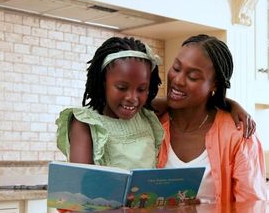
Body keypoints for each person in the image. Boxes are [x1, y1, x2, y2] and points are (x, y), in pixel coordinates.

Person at [56, 36, 254, 170]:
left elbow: (191, 100)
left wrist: (230, 104)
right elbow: (80, 190)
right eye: (122, 88)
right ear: (102, 82)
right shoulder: (85, 123)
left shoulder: (145, 113)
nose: (132, 98)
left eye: (142, 90)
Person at [156, 34, 267, 204]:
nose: (177, 80)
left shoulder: (239, 135)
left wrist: (205, 208)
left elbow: (251, 208)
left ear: (214, 84)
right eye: (176, 68)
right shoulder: (151, 124)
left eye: (192, 76)